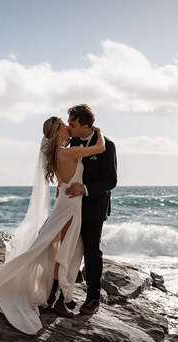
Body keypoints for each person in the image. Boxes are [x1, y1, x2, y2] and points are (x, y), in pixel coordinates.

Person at [0, 116, 106, 335]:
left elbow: (63, 183)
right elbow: (100, 148)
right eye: (65, 126)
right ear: (58, 132)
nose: (68, 128)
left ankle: (54, 297)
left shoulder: (58, 152)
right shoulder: (65, 152)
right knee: (67, 251)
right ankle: (59, 300)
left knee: (61, 249)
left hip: (67, 203)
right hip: (71, 207)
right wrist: (97, 131)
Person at [65, 104, 117, 315]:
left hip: (94, 206)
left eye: (73, 124)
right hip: (71, 206)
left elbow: (111, 181)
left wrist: (85, 189)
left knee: (91, 251)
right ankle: (65, 292)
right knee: (67, 245)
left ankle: (93, 297)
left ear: (86, 125)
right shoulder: (73, 142)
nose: (69, 127)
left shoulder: (107, 145)